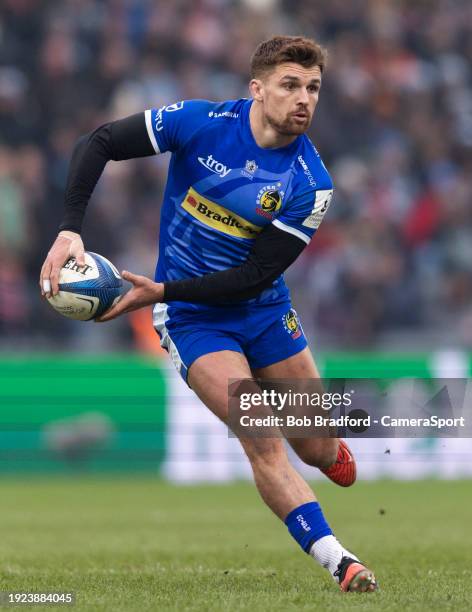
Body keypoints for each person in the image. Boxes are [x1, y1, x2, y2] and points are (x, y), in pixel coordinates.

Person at [40, 35, 377, 592]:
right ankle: (341, 561)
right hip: (193, 319)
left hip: (264, 310)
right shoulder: (200, 123)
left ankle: (326, 446)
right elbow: (98, 142)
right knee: (262, 435)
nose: (304, 99)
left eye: (313, 88)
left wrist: (160, 289)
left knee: (316, 446)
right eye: (291, 85)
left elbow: (253, 277)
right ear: (258, 89)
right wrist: (70, 227)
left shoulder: (311, 183)